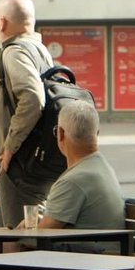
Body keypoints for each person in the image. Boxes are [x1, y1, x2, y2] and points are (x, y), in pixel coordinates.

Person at [0, 0, 55, 227]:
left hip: (19, 167)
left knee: (15, 242)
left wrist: (10, 145)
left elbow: (33, 97)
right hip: (33, 163)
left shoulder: (14, 50)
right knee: (25, 236)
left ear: (1, 23)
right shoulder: (40, 50)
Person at [31, 99, 124, 241]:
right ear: (96, 134)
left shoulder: (74, 180)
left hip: (86, 257)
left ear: (60, 134)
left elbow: (42, 235)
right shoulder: (103, 167)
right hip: (102, 253)